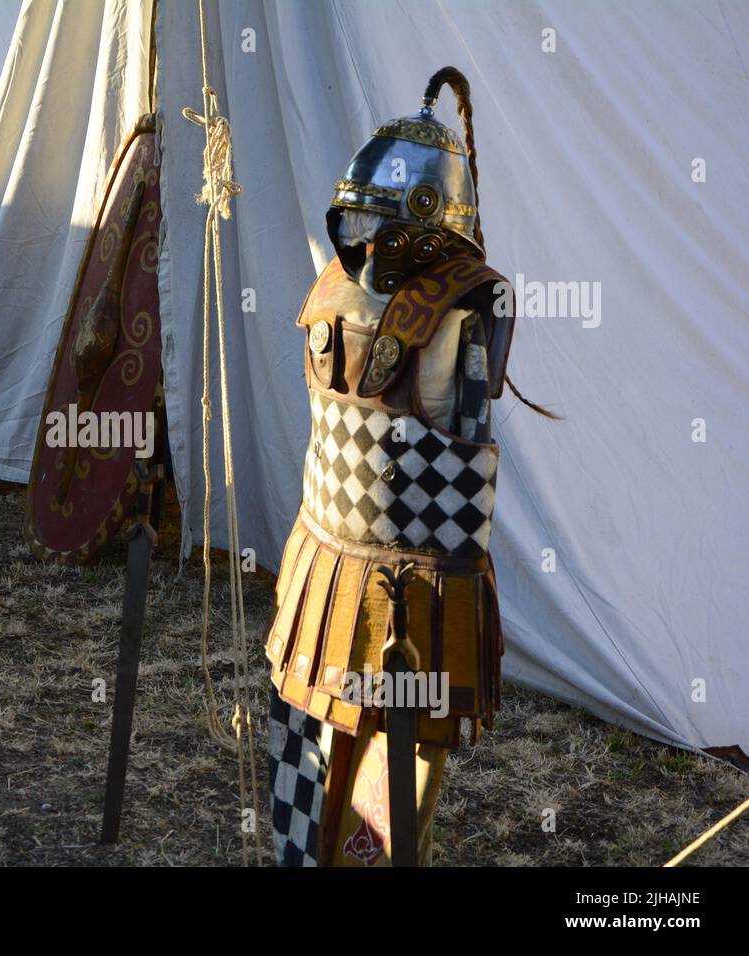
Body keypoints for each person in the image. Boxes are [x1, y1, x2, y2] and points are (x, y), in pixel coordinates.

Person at [264, 67, 548, 866]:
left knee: (362, 798)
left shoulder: (334, 288)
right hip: (381, 588)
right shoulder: (416, 298)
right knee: (327, 789)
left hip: (369, 588)